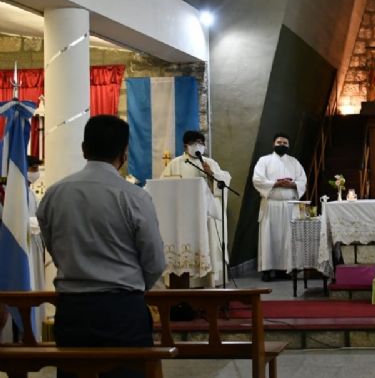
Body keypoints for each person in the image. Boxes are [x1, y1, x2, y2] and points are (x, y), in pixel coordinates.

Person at [37, 115, 165, 378]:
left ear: (84, 149)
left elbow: (53, 247)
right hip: (123, 310)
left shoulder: (54, 194)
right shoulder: (135, 197)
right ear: (124, 154)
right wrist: (133, 287)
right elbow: (154, 261)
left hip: (73, 310)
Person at [162, 130, 231, 286]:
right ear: (185, 146)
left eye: (201, 142)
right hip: (185, 214)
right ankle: (188, 281)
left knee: (209, 243)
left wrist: (211, 174)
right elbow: (165, 185)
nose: (198, 146)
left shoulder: (210, 163)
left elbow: (222, 184)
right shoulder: (175, 164)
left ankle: (209, 279)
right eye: (194, 143)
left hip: (206, 213)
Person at [252, 133, 307, 281]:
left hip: (289, 206)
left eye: (285, 143)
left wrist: (292, 184)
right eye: (279, 142)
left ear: (288, 146)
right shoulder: (264, 160)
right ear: (273, 144)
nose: (282, 145)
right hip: (271, 205)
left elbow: (303, 180)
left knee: (287, 238)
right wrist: (276, 183)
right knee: (268, 238)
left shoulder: (294, 162)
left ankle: (284, 269)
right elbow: (257, 180)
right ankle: (266, 270)